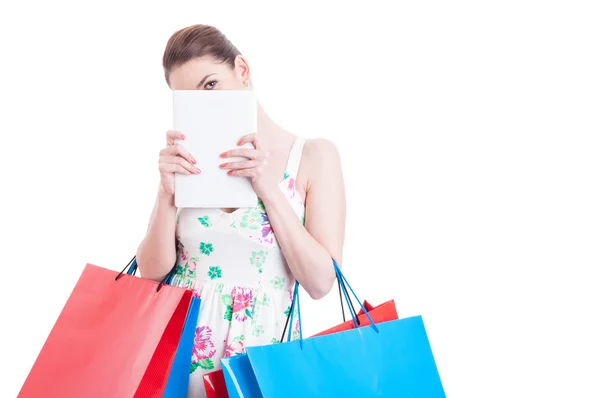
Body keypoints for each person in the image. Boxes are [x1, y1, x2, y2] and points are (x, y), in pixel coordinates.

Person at [136, 24, 346, 397]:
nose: (206, 104)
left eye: (211, 85)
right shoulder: (186, 163)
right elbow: (151, 272)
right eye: (189, 99)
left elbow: (320, 282)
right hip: (178, 359)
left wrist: (267, 189)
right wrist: (165, 194)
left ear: (242, 70)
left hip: (260, 364)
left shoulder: (313, 156)